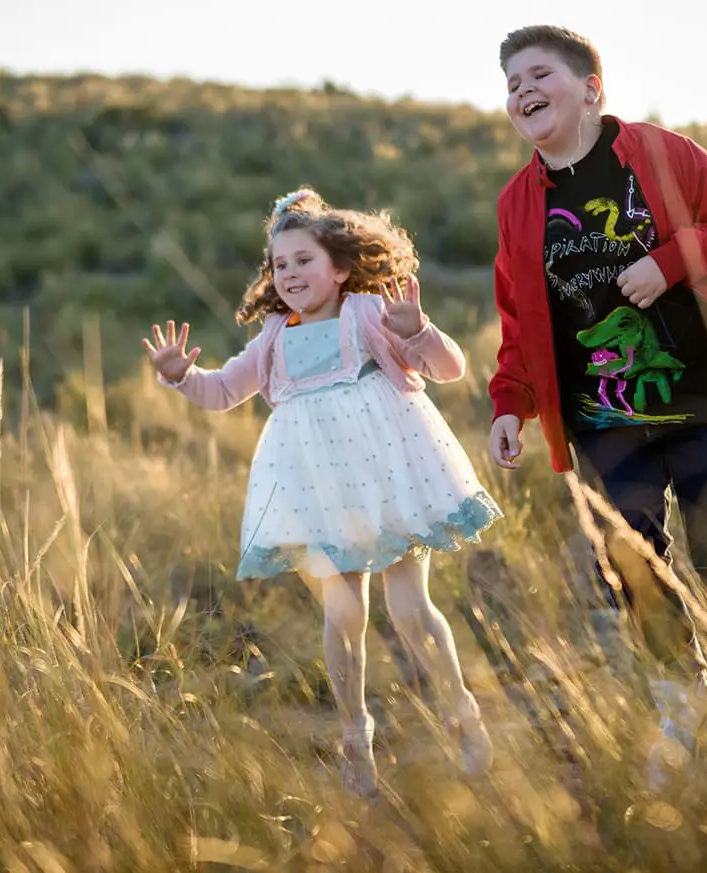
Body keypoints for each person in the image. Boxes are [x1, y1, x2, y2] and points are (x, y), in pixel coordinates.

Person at [485, 25, 707, 780]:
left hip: (703, 399)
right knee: (631, 568)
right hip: (603, 425)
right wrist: (509, 402)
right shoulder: (519, 203)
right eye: (511, 84)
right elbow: (519, 321)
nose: (522, 92)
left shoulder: (655, 155)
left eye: (537, 74)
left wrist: (670, 262)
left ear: (591, 89)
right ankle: (682, 706)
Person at [144, 186, 502, 797]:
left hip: (388, 481)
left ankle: (461, 711)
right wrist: (183, 377)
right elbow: (223, 391)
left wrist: (419, 333)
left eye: (303, 260)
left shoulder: (366, 313)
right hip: (321, 494)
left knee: (411, 611)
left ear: (339, 267)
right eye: (279, 265)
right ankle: (354, 739)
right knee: (344, 615)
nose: (289, 274)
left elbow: (449, 370)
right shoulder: (275, 338)